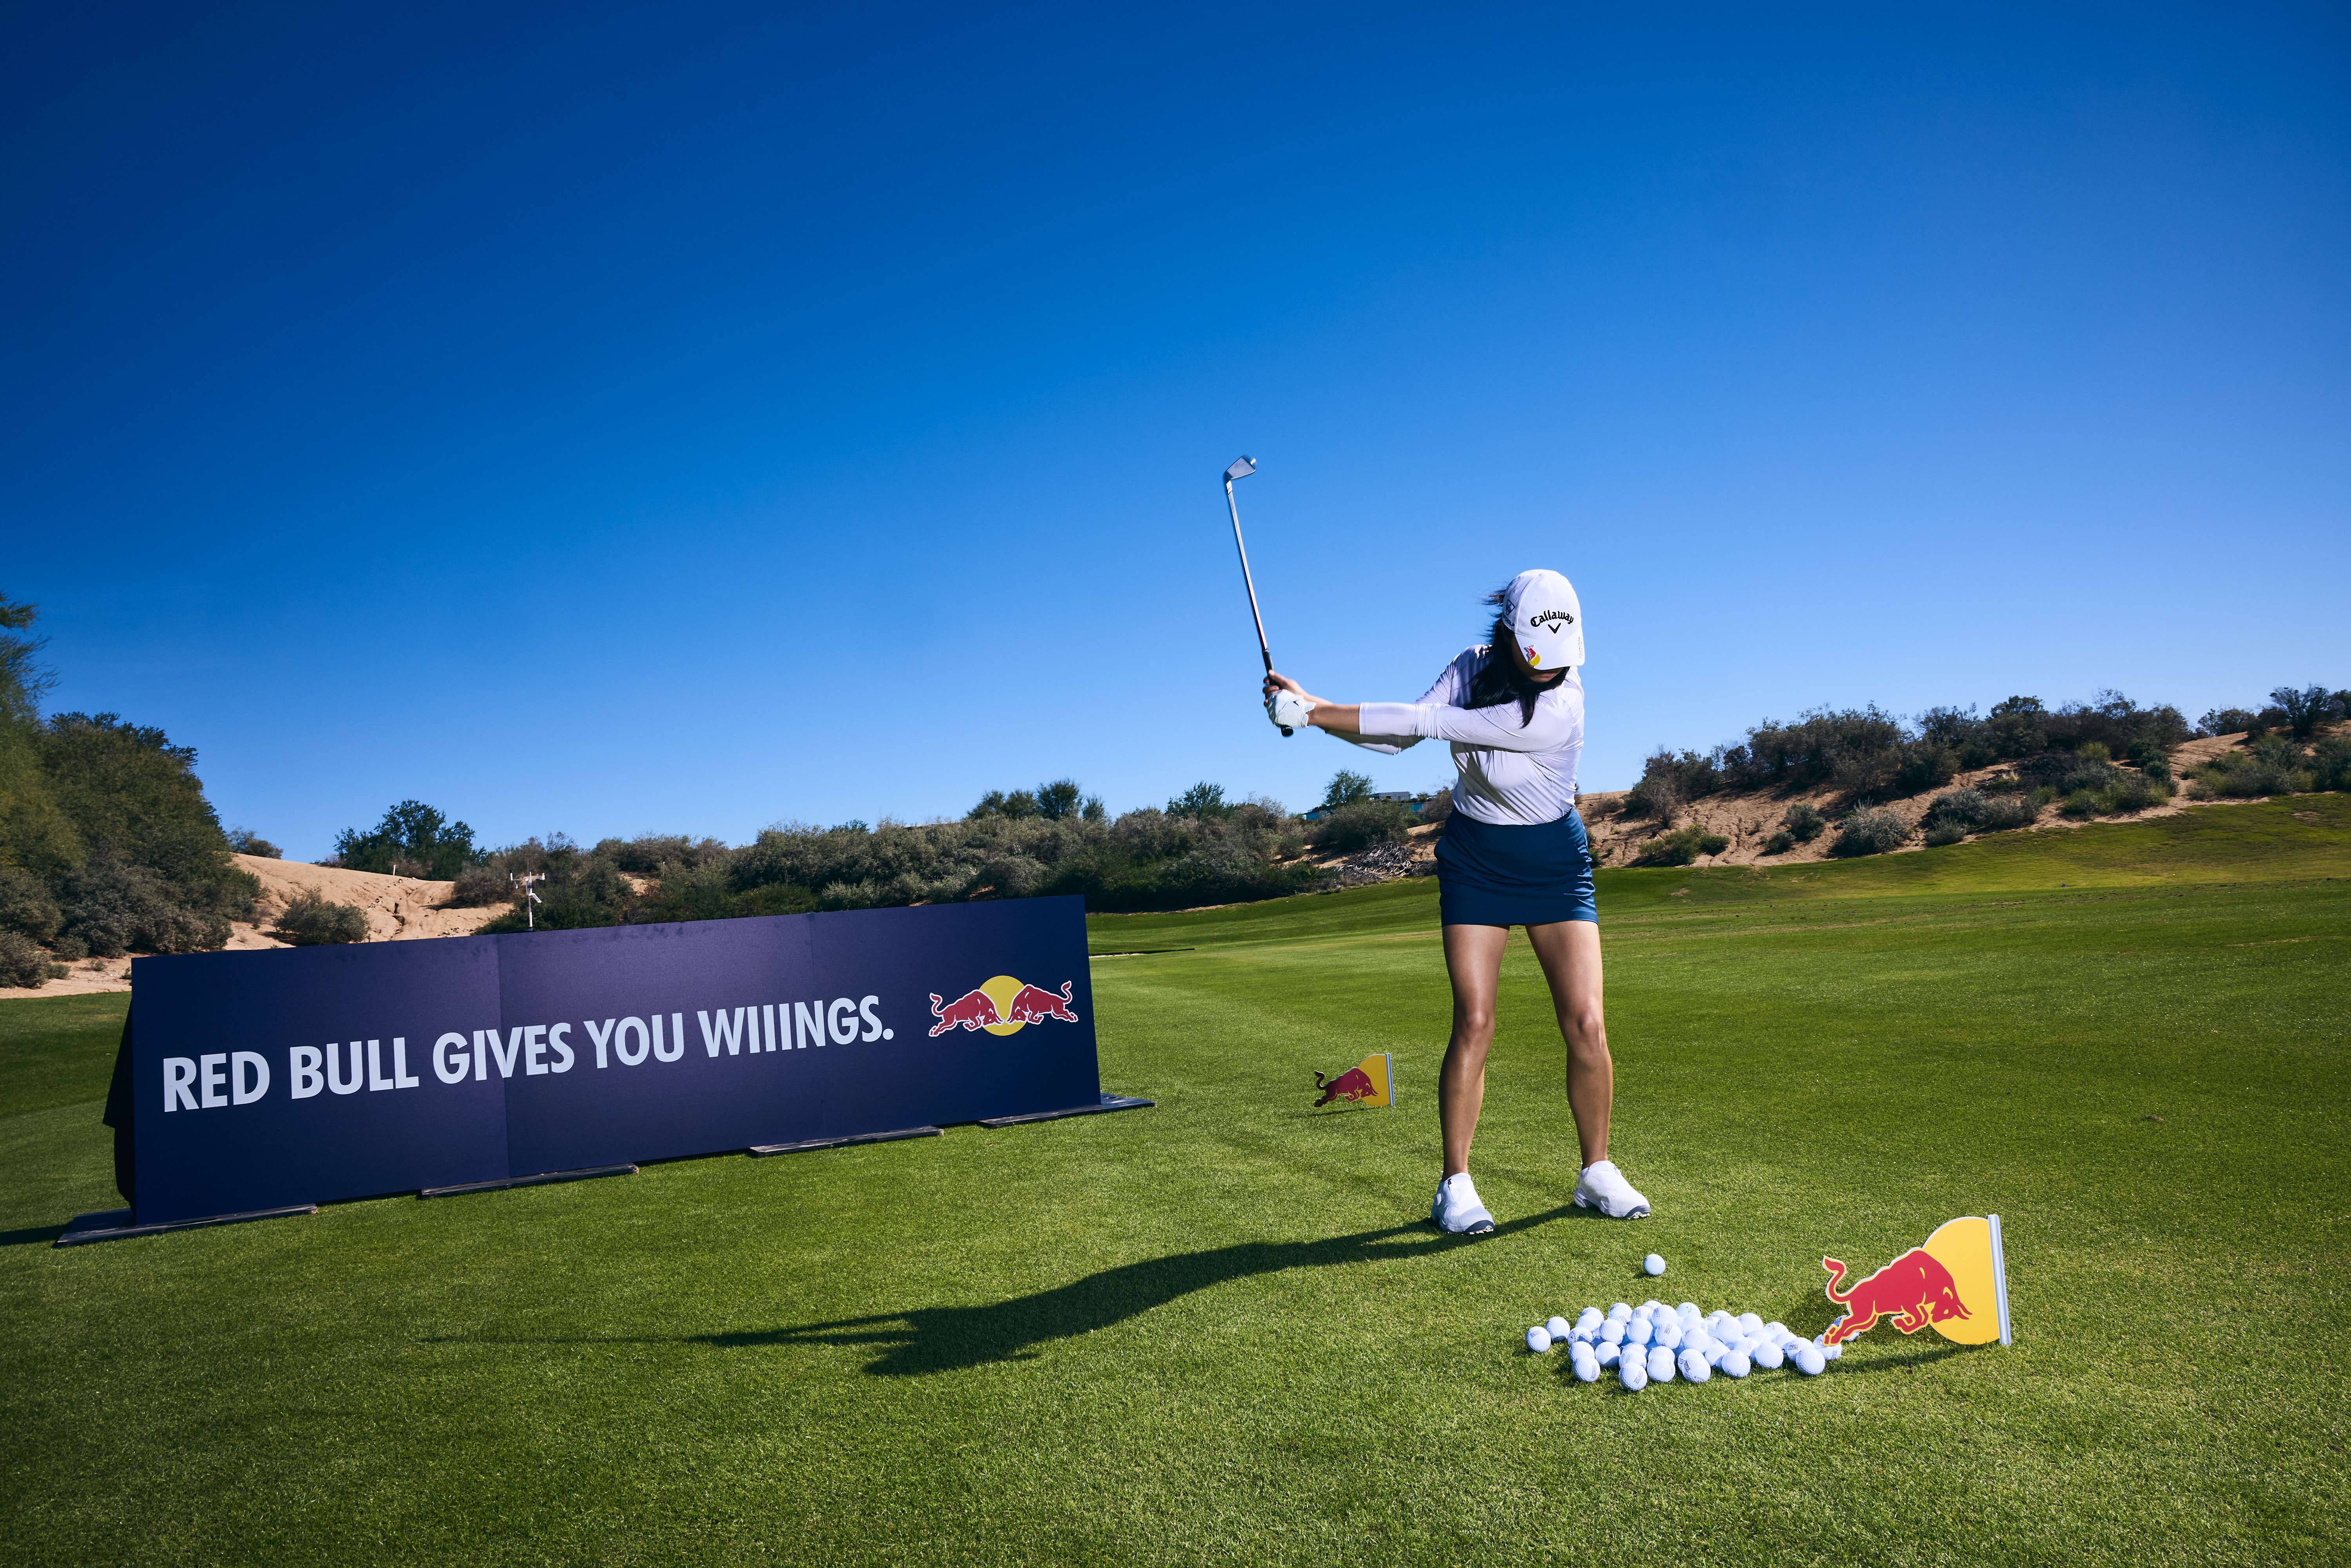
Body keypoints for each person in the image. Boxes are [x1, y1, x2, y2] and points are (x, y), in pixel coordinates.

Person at [1263, 569, 1649, 1235]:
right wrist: (1310, 713)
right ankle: (1456, 1183)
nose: (1551, 671)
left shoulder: (1561, 705)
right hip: (1477, 858)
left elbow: (1428, 721)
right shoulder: (1471, 666)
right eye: (1539, 658)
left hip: (1554, 862)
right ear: (1511, 635)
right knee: (1474, 1019)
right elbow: (1398, 737)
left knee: (1587, 1022)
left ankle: (1596, 1170)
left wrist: (1315, 710)